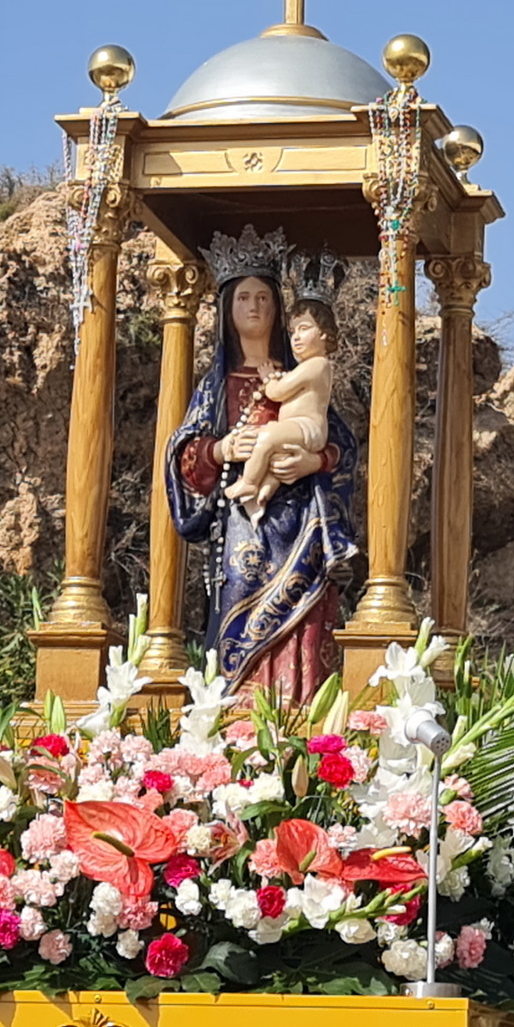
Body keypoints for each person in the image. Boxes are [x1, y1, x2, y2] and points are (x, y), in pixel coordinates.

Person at [164, 229, 357, 706]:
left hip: (301, 522)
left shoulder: (299, 378)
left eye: (264, 298)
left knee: (304, 619)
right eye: (244, 297)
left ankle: (300, 710)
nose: (254, 308)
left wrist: (314, 460)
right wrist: (221, 450)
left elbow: (343, 447)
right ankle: (240, 712)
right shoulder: (216, 385)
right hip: (241, 528)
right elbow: (182, 455)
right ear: (227, 307)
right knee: (239, 615)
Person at [222, 302, 334, 519]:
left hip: (306, 429)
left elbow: (277, 392)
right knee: (276, 454)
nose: (296, 337)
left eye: (304, 329)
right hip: (296, 431)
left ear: (324, 334)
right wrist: (221, 448)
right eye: (292, 332)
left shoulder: (316, 365)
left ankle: (249, 483)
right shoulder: (218, 381)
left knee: (269, 436)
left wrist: (268, 378)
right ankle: (263, 494)